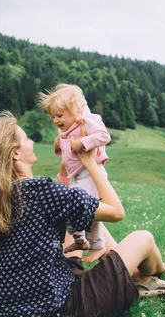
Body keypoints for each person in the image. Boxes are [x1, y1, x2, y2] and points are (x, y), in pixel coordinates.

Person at [0, 111, 165, 316]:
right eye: (26, 139)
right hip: (61, 305)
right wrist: (90, 162)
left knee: (81, 221)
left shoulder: (2, 193)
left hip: (12, 301)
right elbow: (116, 211)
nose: (31, 141)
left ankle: (137, 276)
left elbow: (51, 220)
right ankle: (155, 270)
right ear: (15, 154)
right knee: (143, 238)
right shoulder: (41, 191)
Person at [37, 84, 110, 262]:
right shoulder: (65, 128)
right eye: (53, 116)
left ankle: (98, 246)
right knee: (72, 212)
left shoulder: (87, 120)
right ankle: (80, 241)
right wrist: (57, 145)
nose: (56, 120)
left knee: (86, 212)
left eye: (59, 116)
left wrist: (84, 142)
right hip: (80, 176)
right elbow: (66, 150)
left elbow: (104, 136)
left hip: (92, 175)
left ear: (77, 111)